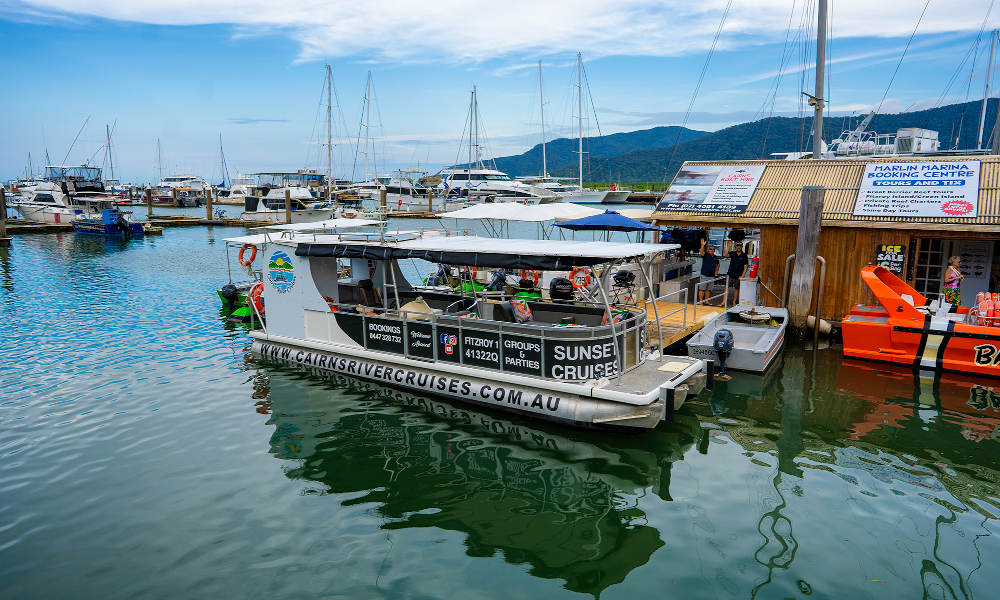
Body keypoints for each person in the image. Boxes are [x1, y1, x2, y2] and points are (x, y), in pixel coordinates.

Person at [699, 238, 719, 303]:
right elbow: (701, 252)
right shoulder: (706, 255)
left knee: (708, 289)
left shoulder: (715, 257)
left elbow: (718, 264)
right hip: (704, 275)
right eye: (710, 249)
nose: (712, 250)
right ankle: (701, 301)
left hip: (711, 275)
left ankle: (706, 301)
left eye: (713, 249)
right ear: (708, 250)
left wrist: (716, 271)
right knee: (702, 289)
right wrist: (702, 245)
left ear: (714, 250)